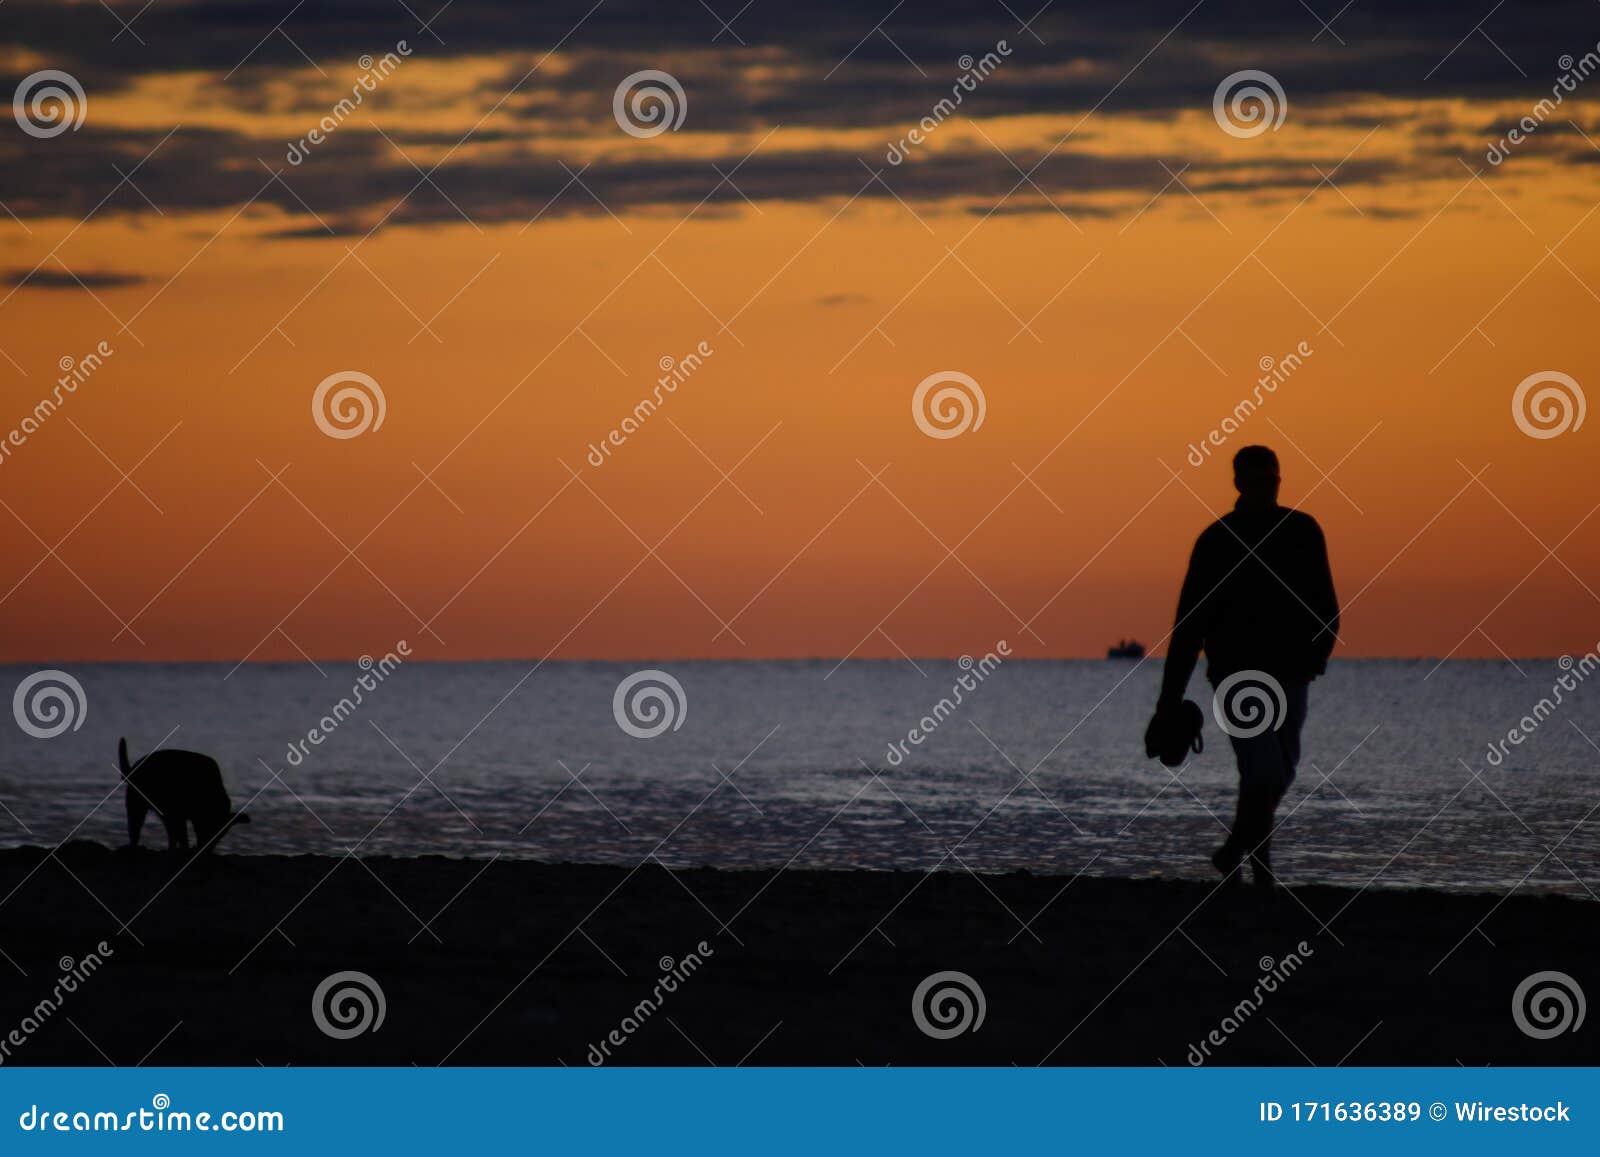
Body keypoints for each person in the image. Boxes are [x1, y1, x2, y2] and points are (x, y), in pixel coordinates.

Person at [1155, 445, 1339, 889]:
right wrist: (1168, 703)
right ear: (1238, 483)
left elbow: (1325, 606)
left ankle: (1236, 851)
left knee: (1279, 772)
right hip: (1238, 677)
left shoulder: (1302, 531)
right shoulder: (1217, 541)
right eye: (1257, 481)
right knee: (1264, 772)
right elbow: (1189, 625)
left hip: (1292, 674)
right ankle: (1260, 871)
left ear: (1280, 481)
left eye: (1271, 481)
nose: (1265, 489)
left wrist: (1316, 657)